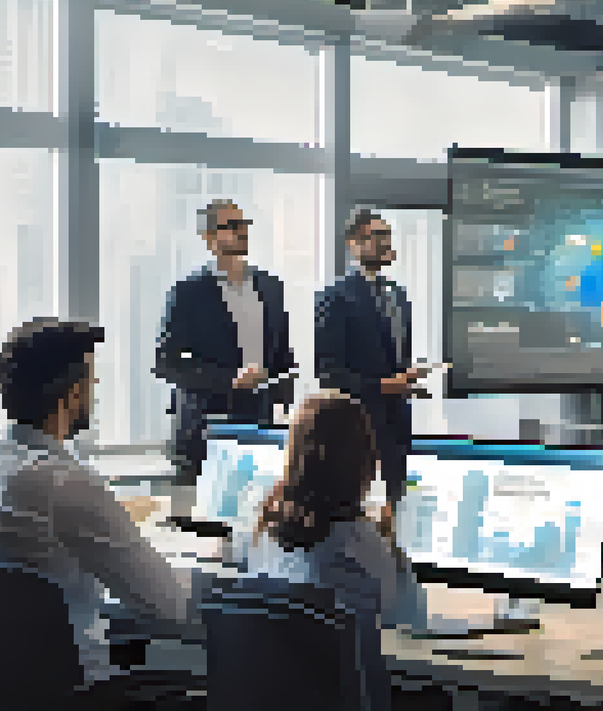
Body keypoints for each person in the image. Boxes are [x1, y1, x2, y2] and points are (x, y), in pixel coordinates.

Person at [0, 318, 195, 695]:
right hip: (73, 690)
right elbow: (170, 608)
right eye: (92, 383)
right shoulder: (64, 482)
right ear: (73, 394)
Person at [241, 391, 426, 711]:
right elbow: (413, 623)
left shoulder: (257, 534)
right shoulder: (366, 546)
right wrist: (395, 550)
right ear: (367, 465)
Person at [155, 199, 297, 486]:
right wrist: (231, 379)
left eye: (243, 224)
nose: (241, 231)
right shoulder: (188, 292)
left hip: (261, 427)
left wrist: (285, 402)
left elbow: (282, 353)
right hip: (205, 430)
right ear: (209, 237)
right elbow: (166, 363)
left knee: (259, 507)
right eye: (231, 226)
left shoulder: (271, 287)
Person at [315, 209, 427, 538]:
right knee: (358, 513)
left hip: (397, 420)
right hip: (357, 423)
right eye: (375, 236)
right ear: (353, 243)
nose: (384, 242)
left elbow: (393, 360)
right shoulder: (335, 296)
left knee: (398, 504)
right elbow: (329, 372)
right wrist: (383, 386)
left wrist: (406, 380)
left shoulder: (397, 294)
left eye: (386, 235)